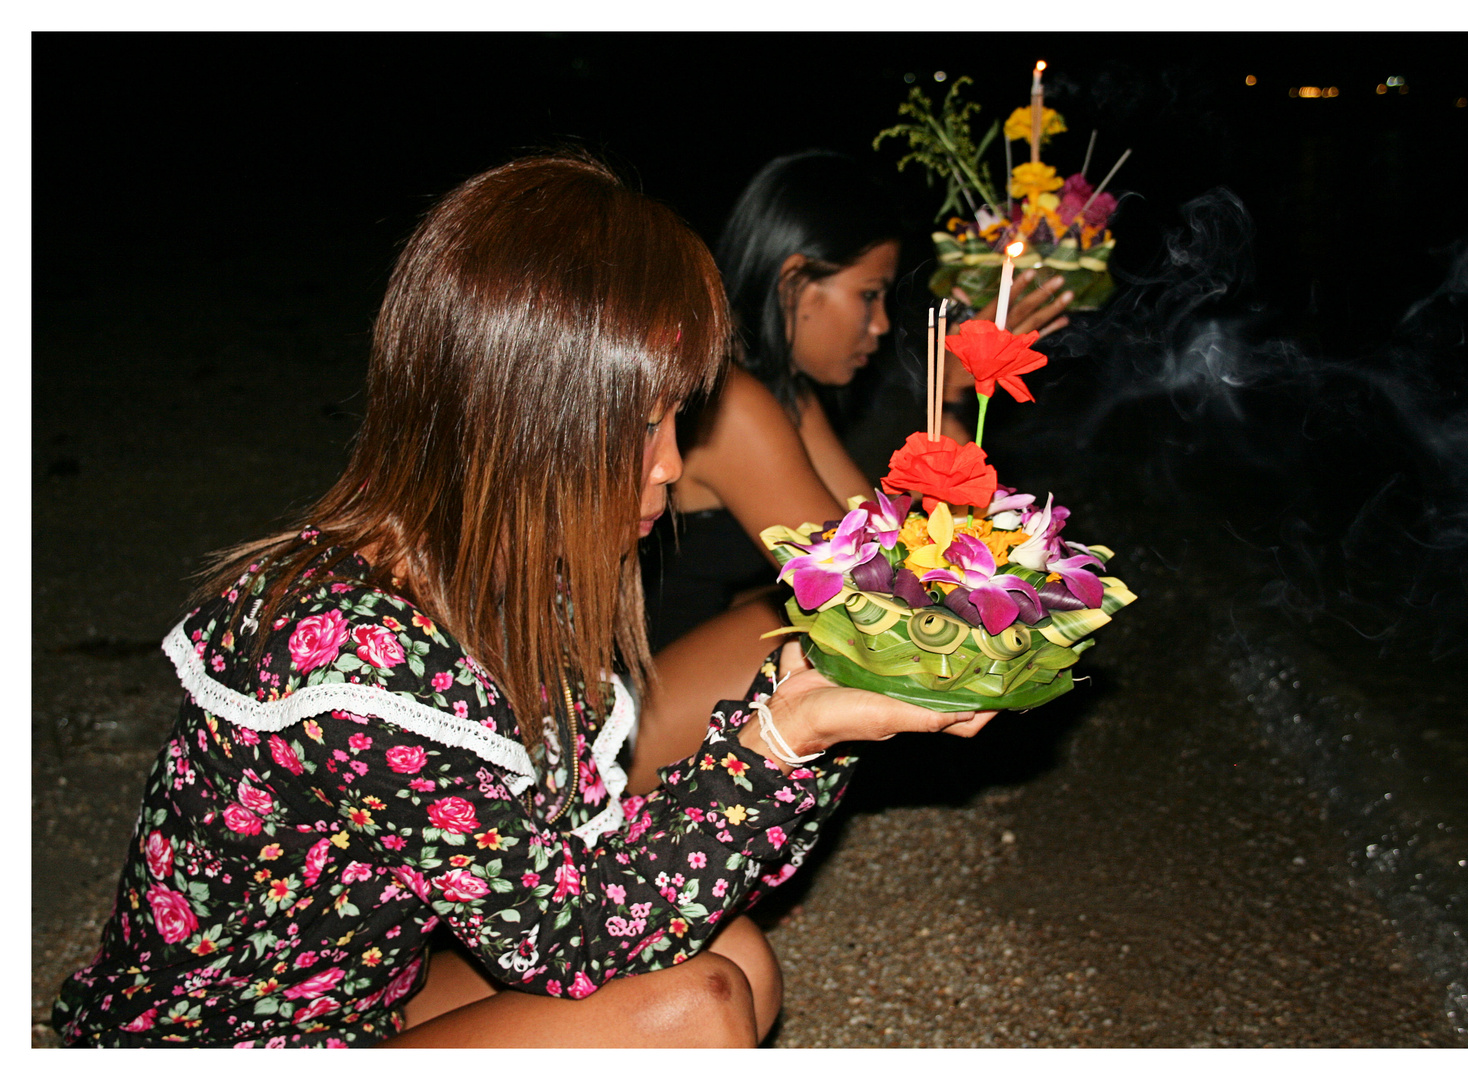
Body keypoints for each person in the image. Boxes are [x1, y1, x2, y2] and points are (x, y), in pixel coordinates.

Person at [50, 153, 998, 1048]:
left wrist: (801, 718)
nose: (670, 464)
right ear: (522, 418)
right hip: (231, 1042)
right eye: (639, 425)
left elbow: (589, 869)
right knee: (692, 1010)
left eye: (677, 418)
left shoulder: (507, 573)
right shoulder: (353, 657)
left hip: (356, 995)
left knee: (734, 952)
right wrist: (785, 742)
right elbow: (572, 938)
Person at [632, 151, 1071, 792]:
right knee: (815, 629)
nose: (882, 324)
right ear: (794, 283)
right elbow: (873, 591)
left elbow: (883, 534)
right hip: (607, 718)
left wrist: (957, 399)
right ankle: (674, 830)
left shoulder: (784, 395)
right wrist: (951, 403)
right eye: (868, 295)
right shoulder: (731, 404)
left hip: (653, 674)